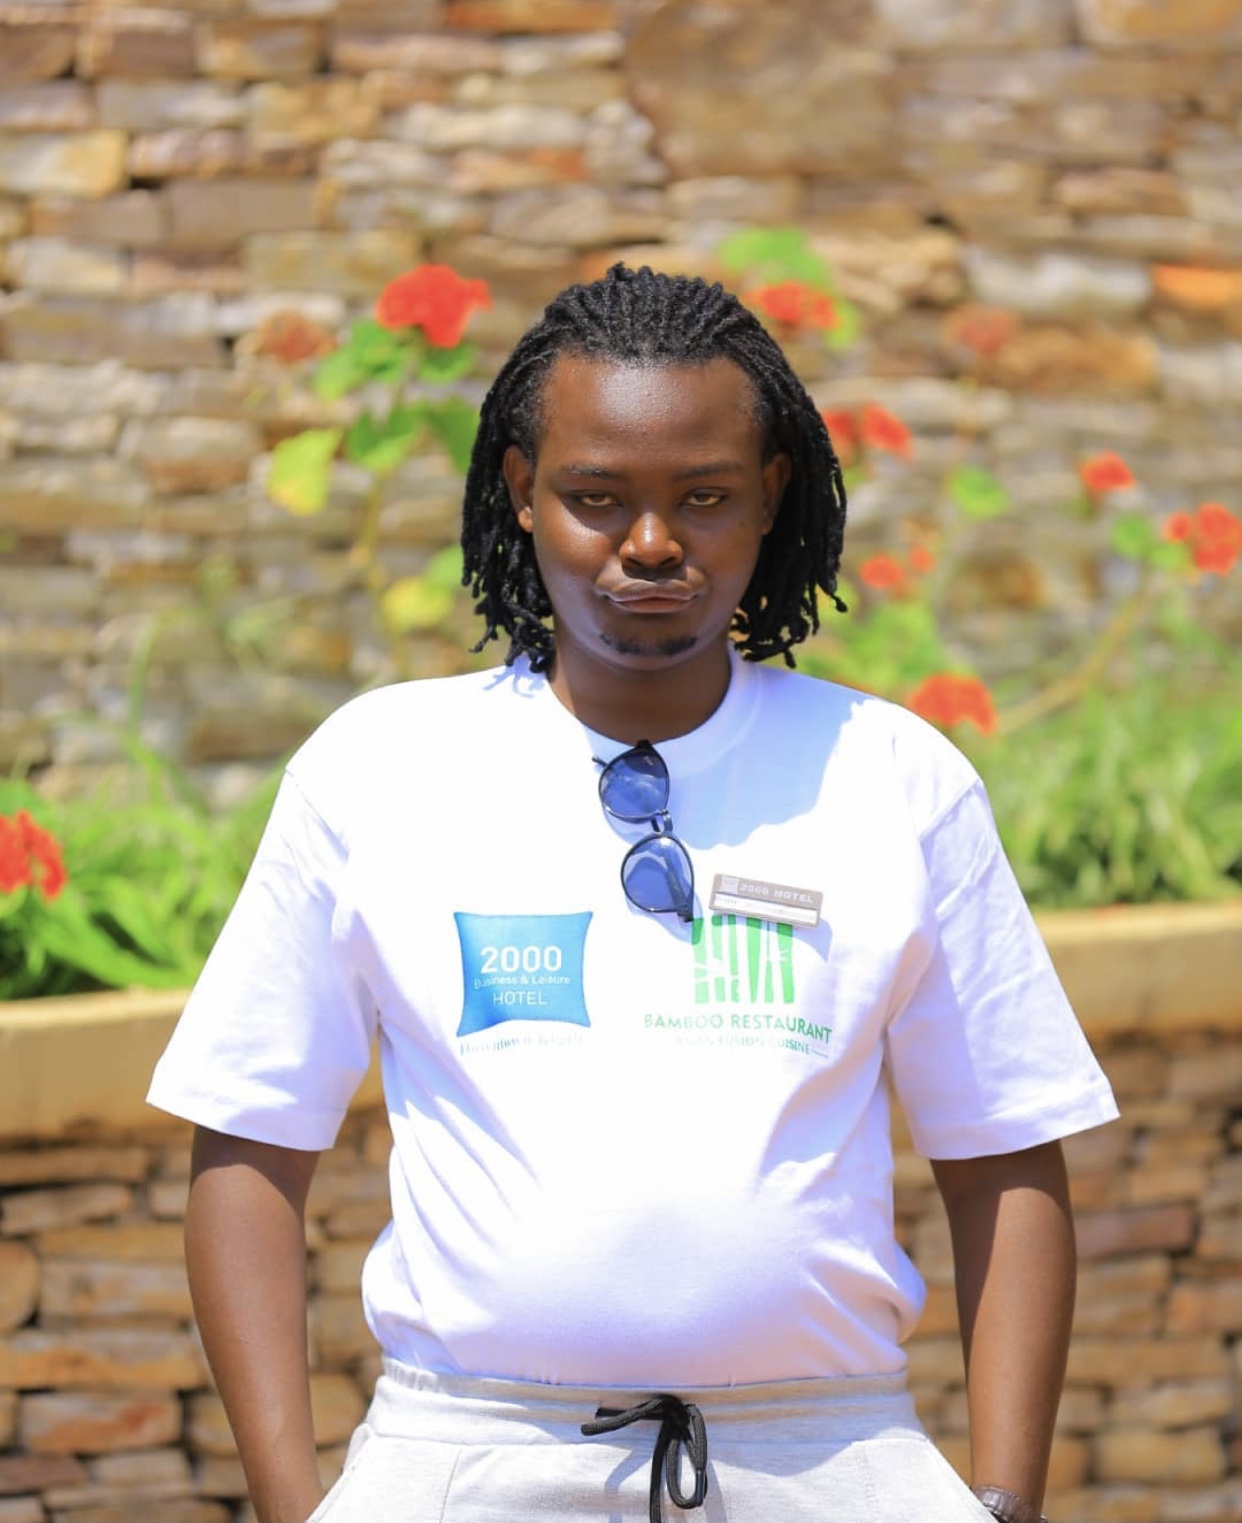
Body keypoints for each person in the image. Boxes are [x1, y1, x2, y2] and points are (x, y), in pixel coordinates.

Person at [148, 263, 1119, 1523]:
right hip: (469, 1455)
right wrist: (295, 1505)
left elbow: (1003, 1154)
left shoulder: (894, 777)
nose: (651, 543)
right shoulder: (378, 771)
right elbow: (249, 1137)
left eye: (703, 496)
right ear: (522, 490)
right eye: (596, 497)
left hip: (831, 1456)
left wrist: (1003, 1498)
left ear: (772, 493)